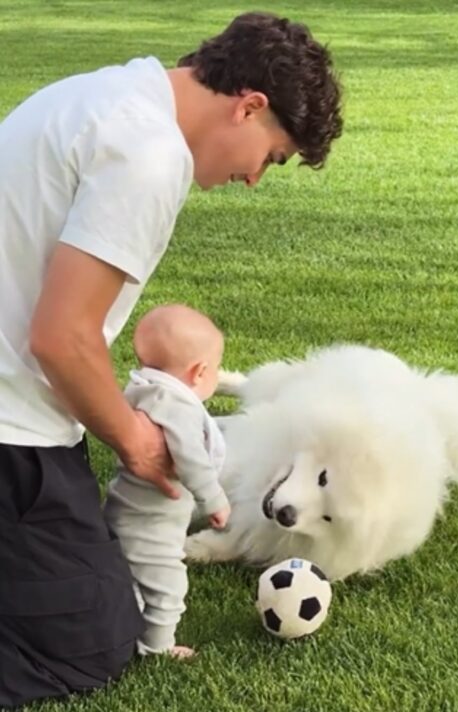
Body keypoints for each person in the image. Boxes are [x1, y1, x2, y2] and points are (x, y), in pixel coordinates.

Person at [0, 12, 342, 707]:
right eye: (272, 157)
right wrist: (136, 439)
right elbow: (62, 338)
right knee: (88, 647)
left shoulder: (103, 95)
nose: (254, 178)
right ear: (250, 106)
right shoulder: (149, 154)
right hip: (12, 430)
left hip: (23, 414)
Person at [103, 305, 230, 660]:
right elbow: (189, 455)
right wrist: (214, 499)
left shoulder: (142, 389)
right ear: (199, 371)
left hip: (125, 508)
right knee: (168, 587)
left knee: (131, 577)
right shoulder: (176, 405)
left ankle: (126, 625)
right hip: (153, 525)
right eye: (216, 368)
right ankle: (156, 647)